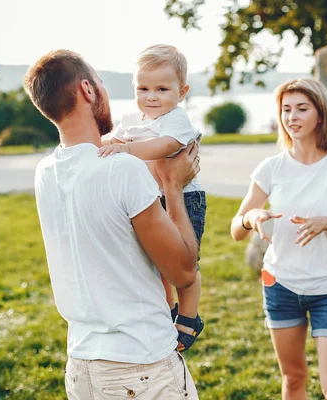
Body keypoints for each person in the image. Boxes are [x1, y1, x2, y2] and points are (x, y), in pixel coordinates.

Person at [24, 49, 201, 399]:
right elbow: (183, 271)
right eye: (102, 83)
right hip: (141, 365)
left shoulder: (46, 171)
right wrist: (174, 186)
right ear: (88, 90)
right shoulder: (121, 168)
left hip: (81, 364)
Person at [230, 78, 327, 400]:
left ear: (320, 115)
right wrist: (252, 217)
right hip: (281, 285)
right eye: (286, 109)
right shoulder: (271, 168)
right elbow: (236, 228)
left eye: (301, 109)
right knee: (293, 380)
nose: (292, 117)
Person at [98, 44, 206, 353]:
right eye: (143, 88)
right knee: (157, 261)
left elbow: (165, 146)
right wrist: (100, 146)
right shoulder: (133, 118)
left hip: (186, 196)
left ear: (181, 92)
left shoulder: (175, 120)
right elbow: (114, 139)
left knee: (186, 259)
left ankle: (188, 315)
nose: (152, 96)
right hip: (150, 196)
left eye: (162, 88)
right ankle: (166, 308)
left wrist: (127, 149)